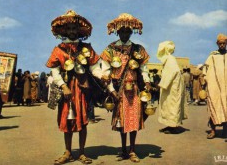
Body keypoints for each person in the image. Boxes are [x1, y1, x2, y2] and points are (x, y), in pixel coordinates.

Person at [46, 10, 103, 164]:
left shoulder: (86, 49)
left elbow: (94, 67)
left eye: (74, 28)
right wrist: (63, 86)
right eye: (69, 29)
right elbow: (55, 71)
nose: (72, 31)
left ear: (78, 31)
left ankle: (82, 152)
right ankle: (68, 152)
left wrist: (102, 75)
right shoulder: (59, 49)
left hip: (82, 88)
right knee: (67, 119)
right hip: (66, 89)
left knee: (83, 119)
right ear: (65, 30)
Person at [100, 13, 151, 163]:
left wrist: (147, 82)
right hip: (119, 90)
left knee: (134, 119)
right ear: (117, 32)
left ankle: (133, 150)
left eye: (127, 31)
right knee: (122, 121)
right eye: (121, 31)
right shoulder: (110, 49)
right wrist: (112, 90)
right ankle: (123, 150)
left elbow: (144, 69)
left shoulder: (138, 49)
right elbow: (106, 72)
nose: (124, 34)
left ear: (130, 32)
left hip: (134, 90)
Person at [156, 41, 187, 134]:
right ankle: (170, 125)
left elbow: (172, 72)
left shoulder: (170, 59)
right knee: (168, 106)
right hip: (169, 87)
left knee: (173, 106)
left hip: (172, 88)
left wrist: (162, 84)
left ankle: (174, 127)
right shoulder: (169, 59)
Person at [204, 33, 227, 141]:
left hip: (225, 88)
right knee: (214, 107)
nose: (222, 45)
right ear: (217, 44)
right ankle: (213, 131)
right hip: (214, 88)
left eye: (224, 43)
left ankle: (225, 131)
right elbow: (205, 70)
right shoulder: (212, 56)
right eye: (220, 43)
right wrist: (205, 83)